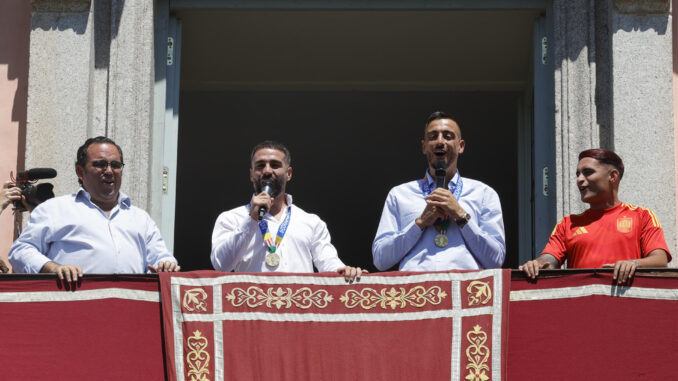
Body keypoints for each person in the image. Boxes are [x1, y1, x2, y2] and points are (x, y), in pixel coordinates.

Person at [8, 136, 180, 282]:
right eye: (100, 164)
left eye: (116, 165)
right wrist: (53, 268)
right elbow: (20, 251)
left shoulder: (141, 218)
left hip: (128, 313)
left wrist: (165, 264)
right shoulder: (54, 210)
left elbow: (161, 258)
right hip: (73, 311)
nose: (109, 171)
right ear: (80, 171)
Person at [211, 140, 365, 282]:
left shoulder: (310, 221)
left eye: (275, 165)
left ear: (289, 173)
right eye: (260, 166)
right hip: (251, 308)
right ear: (251, 175)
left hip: (300, 308)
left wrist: (345, 271)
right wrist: (251, 219)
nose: (267, 170)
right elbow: (220, 265)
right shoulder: (231, 218)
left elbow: (328, 263)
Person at [372, 111, 506, 271]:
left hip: (464, 291)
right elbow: (380, 260)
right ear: (424, 146)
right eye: (433, 136)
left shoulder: (484, 194)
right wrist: (420, 223)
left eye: (448, 136)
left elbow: (496, 260)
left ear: (460, 146)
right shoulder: (399, 194)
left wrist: (461, 215)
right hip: (416, 291)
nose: (440, 141)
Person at [519, 148, 670, 285]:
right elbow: (549, 261)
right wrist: (536, 264)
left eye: (588, 172)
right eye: (578, 174)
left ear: (612, 176)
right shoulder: (568, 223)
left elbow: (660, 260)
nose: (579, 179)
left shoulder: (642, 216)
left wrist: (633, 264)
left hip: (627, 309)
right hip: (582, 310)